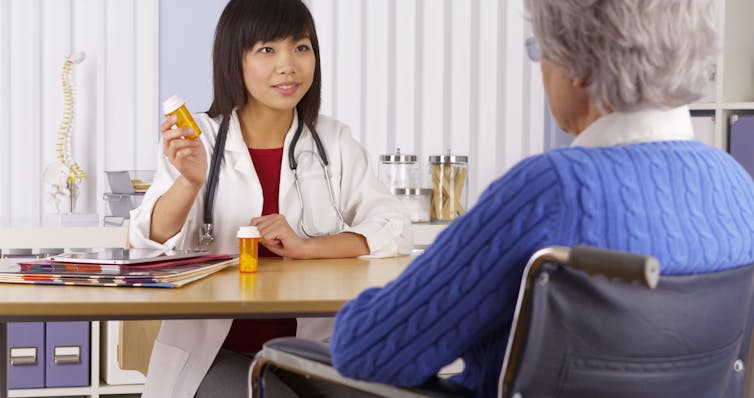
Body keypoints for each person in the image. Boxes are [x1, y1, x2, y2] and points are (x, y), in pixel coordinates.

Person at [327, 1, 754, 397]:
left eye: (540, 52)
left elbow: (367, 350)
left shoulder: (551, 192)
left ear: (581, 66)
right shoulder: (738, 188)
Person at [128, 0, 412, 396]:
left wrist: (307, 247)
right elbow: (147, 243)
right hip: (215, 352)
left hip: (312, 352)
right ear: (234, 59)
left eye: (301, 47)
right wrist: (190, 182)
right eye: (267, 49)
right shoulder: (201, 140)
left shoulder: (334, 141)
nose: (288, 65)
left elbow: (395, 227)